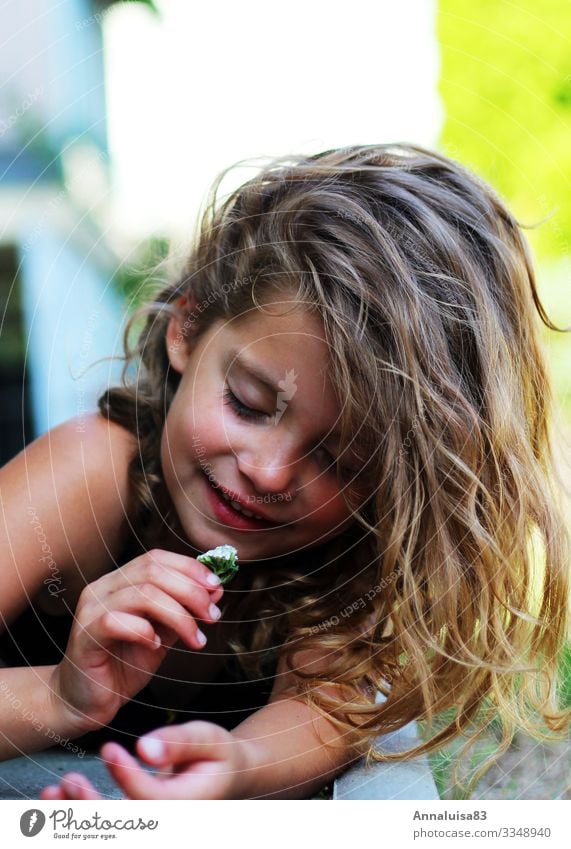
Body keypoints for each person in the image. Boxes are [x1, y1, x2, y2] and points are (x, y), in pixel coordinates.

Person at [0, 143, 569, 800]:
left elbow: (327, 715)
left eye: (340, 459)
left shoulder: (350, 549)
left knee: (384, 754)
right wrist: (64, 697)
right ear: (185, 328)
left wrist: (237, 762)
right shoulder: (91, 471)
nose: (268, 473)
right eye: (247, 403)